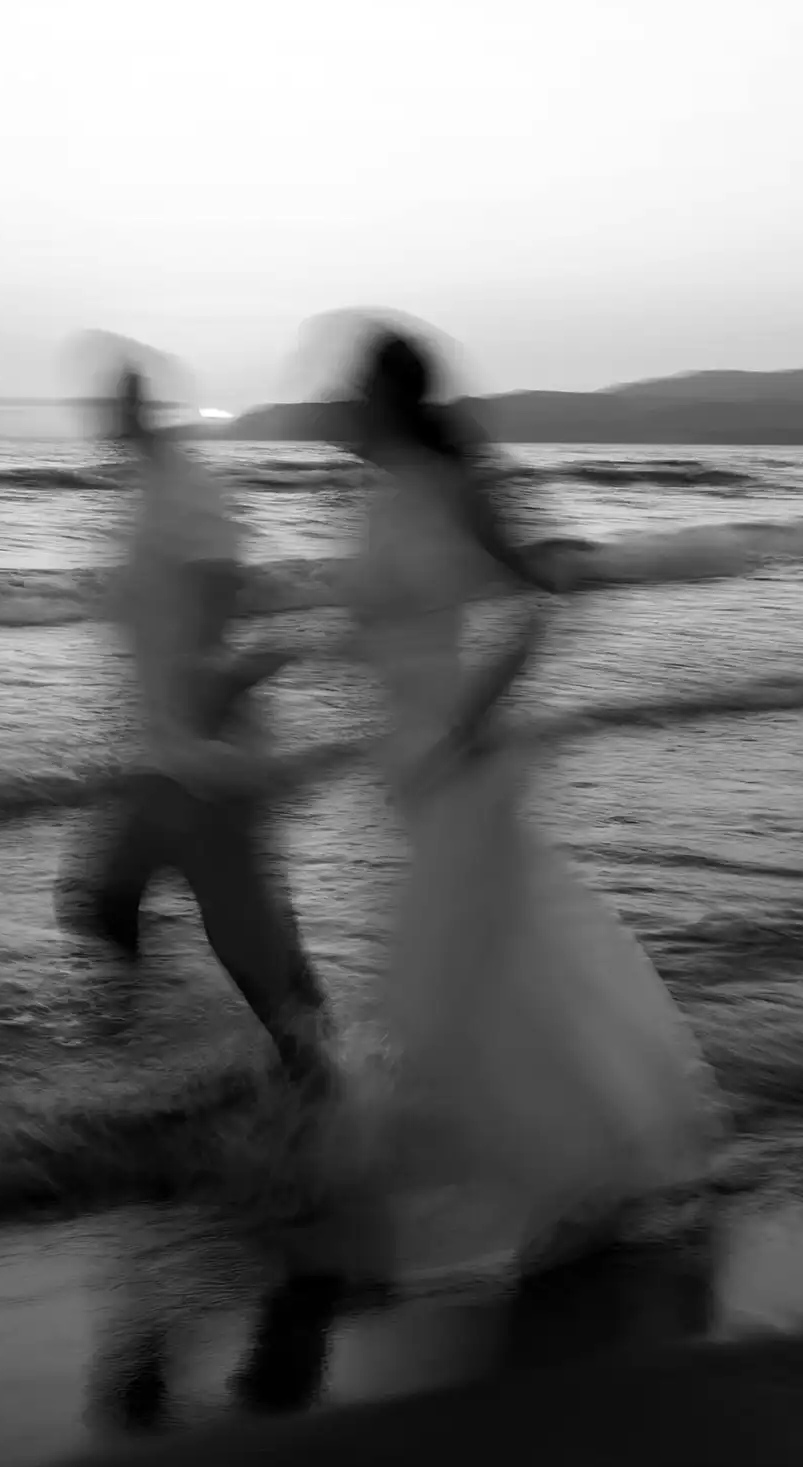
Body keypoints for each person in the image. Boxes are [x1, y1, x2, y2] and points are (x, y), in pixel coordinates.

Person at [330, 320, 718, 1273]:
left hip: (464, 756)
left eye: (360, 387)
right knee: (499, 963)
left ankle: (565, 1174)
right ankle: (581, 1166)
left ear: (392, 395)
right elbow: (373, 623)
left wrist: (472, 717)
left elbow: (545, 598)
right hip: (412, 762)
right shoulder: (375, 490)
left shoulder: (459, 485)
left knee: (463, 978)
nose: (348, 400)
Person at [56, 347, 333, 1093]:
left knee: (236, 933)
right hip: (167, 744)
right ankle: (156, 1054)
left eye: (119, 403)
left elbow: (221, 582)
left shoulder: (184, 485)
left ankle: (327, 1087)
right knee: (115, 901)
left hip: (205, 745)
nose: (106, 418)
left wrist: (204, 693)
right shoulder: (149, 487)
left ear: (142, 410)